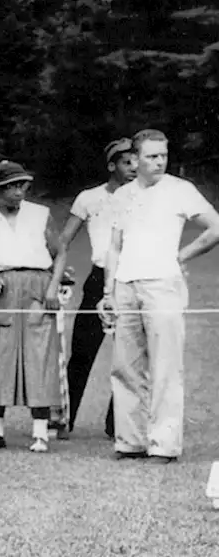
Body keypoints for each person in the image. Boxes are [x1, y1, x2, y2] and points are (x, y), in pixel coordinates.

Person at [102, 129, 219, 463]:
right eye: (151, 156)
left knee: (165, 367)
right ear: (135, 159)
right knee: (125, 367)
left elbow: (215, 227)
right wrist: (108, 290)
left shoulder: (181, 190)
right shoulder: (123, 195)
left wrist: (180, 257)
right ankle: (130, 441)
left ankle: (164, 445)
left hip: (163, 285)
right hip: (125, 284)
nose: (159, 162)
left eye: (163, 155)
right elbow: (114, 246)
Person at [0, 160, 66, 453]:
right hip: (3, 292)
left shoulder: (40, 215)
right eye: (11, 186)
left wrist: (51, 287)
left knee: (40, 355)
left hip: (37, 286)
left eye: (22, 185)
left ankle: (40, 432)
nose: (18, 192)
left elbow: (60, 254)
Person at [55, 138, 136, 439]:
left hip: (132, 279)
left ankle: (118, 424)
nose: (133, 168)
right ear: (112, 165)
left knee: (130, 355)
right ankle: (64, 419)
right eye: (126, 162)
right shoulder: (89, 198)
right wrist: (57, 268)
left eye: (136, 161)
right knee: (82, 352)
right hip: (98, 279)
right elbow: (63, 239)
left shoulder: (143, 197)